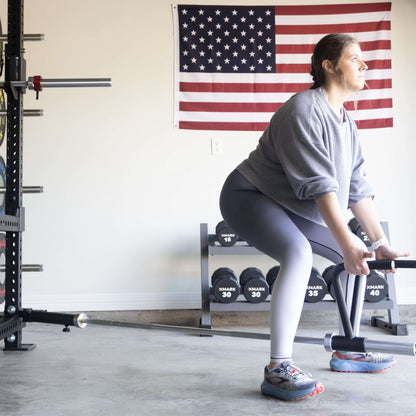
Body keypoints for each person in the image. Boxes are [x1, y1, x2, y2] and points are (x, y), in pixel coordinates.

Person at [219, 33, 409, 401]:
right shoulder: (304, 109)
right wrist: (345, 241)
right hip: (250, 195)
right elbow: (322, 187)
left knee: (358, 256)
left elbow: (354, 186)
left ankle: (348, 349)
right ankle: (278, 368)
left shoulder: (345, 122)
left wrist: (378, 243)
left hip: (290, 204)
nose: (364, 65)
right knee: (299, 254)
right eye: (355, 58)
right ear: (328, 65)